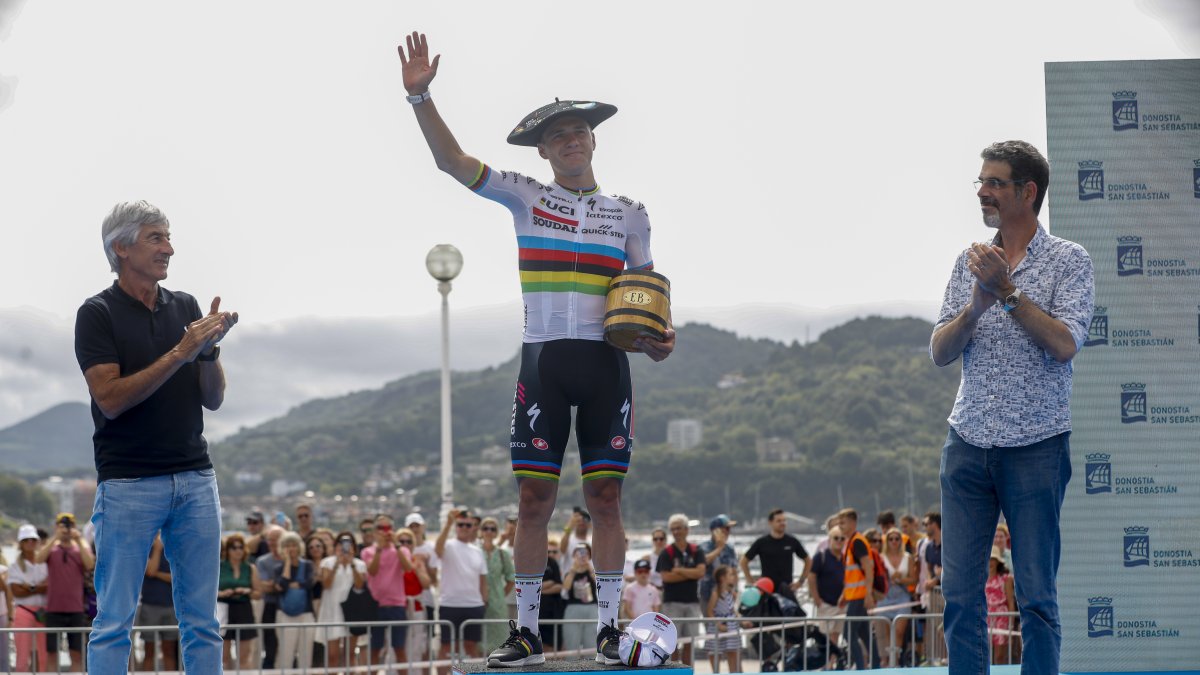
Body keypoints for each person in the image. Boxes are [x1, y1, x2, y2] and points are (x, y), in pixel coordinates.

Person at [398, 31, 675, 668]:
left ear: (592, 140)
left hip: (606, 366)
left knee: (606, 500)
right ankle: (526, 633)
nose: (570, 141)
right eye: (558, 136)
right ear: (544, 150)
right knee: (532, 502)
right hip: (543, 363)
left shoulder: (630, 214)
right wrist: (421, 98)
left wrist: (660, 340)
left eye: (579, 131)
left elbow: (646, 298)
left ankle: (610, 631)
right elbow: (451, 162)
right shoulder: (525, 193)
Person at [930, 140, 1093, 675]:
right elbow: (940, 351)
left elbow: (1065, 343)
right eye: (981, 182)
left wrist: (1007, 294)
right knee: (959, 597)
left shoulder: (1070, 261)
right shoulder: (968, 261)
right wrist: (975, 306)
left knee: (1038, 599)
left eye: (995, 182)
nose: (983, 191)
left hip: (1037, 448)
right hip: (968, 445)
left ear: (1028, 191)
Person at [75, 200, 235, 673]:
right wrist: (182, 350)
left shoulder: (184, 305)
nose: (169, 248)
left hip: (195, 480)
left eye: (167, 236)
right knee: (113, 623)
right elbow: (110, 399)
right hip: (128, 484)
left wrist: (206, 353)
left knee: (203, 623)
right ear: (121, 247)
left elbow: (214, 400)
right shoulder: (97, 313)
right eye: (156, 238)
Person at [37, 513, 94, 672]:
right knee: (52, 653)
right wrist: (55, 537)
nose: (66, 529)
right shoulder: (52, 548)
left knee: (76, 653)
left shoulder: (80, 547)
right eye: (62, 526)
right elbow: (39, 559)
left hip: (75, 609)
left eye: (69, 526)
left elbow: (89, 564)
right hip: (53, 609)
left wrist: (78, 540)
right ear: (56, 527)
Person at [435, 509, 488, 663]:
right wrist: (448, 524)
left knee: (471, 647)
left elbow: (483, 580)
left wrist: (484, 602)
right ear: (456, 527)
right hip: (450, 604)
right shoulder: (448, 545)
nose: (464, 528)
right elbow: (438, 549)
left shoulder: (478, 551)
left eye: (468, 525)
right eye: (461, 525)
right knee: (446, 648)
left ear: (473, 527)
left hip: (474, 605)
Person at [361, 513, 414, 667]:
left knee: (399, 649)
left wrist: (396, 545)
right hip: (376, 605)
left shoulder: (401, 550)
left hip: (397, 605)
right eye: (380, 528)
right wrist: (379, 549)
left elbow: (408, 568)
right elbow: (372, 571)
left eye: (388, 527)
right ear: (375, 530)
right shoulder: (368, 551)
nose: (384, 531)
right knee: (375, 650)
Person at [315, 531, 367, 673]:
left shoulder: (359, 564)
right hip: (332, 611)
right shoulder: (328, 563)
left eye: (348, 543)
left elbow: (359, 585)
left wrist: (351, 564)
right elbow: (326, 584)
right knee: (333, 655)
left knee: (350, 654)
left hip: (352, 611)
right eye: (341, 543)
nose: (344, 547)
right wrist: (337, 564)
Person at [657, 513, 705, 666]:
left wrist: (679, 571)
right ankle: (675, 670)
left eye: (679, 528)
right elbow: (666, 577)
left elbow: (701, 572)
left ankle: (689, 670)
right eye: (673, 529)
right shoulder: (667, 553)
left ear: (686, 529)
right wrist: (690, 573)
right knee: (673, 642)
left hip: (692, 601)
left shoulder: (696, 551)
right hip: (672, 602)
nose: (676, 532)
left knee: (690, 641)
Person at [836, 508, 878, 671]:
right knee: (863, 633)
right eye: (839, 523)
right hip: (854, 595)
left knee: (848, 633)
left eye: (843, 522)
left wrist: (868, 594)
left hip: (860, 596)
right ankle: (875, 665)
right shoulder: (851, 542)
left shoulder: (857, 541)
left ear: (853, 522)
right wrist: (844, 594)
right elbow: (852, 574)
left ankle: (861, 667)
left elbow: (868, 567)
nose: (840, 526)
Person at [739, 508, 810, 603]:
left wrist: (800, 582)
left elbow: (808, 560)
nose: (782, 523)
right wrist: (751, 581)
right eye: (779, 521)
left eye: (784, 520)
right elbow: (744, 561)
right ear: (770, 523)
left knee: (789, 616)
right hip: (766, 589)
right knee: (767, 617)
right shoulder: (762, 542)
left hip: (786, 589)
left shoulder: (792, 541)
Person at [874, 528, 917, 666]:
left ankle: (896, 659)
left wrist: (900, 579)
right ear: (886, 541)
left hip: (902, 596)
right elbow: (877, 577)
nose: (894, 541)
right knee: (886, 630)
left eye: (897, 539)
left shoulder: (907, 557)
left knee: (899, 631)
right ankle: (887, 660)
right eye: (890, 539)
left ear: (901, 541)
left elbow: (913, 579)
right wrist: (888, 578)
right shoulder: (881, 557)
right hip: (886, 596)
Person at [10, 524, 50, 671]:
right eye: (26, 540)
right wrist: (39, 587)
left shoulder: (46, 562)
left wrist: (28, 587)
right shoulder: (15, 565)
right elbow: (16, 592)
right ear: (21, 543)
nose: (30, 542)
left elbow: (50, 587)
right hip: (23, 611)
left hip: (43, 613)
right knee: (22, 655)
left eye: (33, 539)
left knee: (44, 656)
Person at [134, 535, 177, 671]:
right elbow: (150, 570)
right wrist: (157, 549)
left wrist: (156, 574)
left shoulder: (172, 549)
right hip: (150, 606)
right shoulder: (146, 548)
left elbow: (175, 577)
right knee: (149, 650)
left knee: (169, 650)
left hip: (170, 605)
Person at [274, 532, 315, 670]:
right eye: (287, 546)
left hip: (305, 613)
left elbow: (309, 584)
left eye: (294, 545)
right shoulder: (279, 568)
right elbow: (281, 586)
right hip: (285, 614)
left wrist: (296, 584)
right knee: (286, 654)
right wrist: (287, 564)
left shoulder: (308, 565)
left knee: (305, 655)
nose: (291, 549)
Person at [219, 533, 260, 670]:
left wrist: (247, 591)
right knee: (223, 657)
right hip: (223, 609)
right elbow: (209, 592)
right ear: (227, 550)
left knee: (244, 656)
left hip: (244, 609)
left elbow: (258, 594)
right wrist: (223, 593)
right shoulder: (219, 567)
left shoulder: (250, 568)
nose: (237, 550)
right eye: (233, 547)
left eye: (240, 547)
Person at [806, 525, 845, 655]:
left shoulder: (846, 558)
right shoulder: (821, 556)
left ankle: (831, 662)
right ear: (829, 540)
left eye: (842, 538)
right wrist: (817, 599)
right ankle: (824, 663)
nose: (839, 541)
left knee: (836, 635)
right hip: (825, 603)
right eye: (836, 538)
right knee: (824, 636)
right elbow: (811, 577)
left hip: (842, 604)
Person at [480, 517, 516, 652]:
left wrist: (501, 594)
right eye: (485, 528)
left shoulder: (502, 554)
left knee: (499, 643)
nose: (489, 532)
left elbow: (511, 578)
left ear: (496, 532)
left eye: (492, 529)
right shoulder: (475, 552)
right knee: (478, 644)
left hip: (498, 604)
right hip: (478, 603)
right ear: (481, 531)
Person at [559, 543, 598, 660]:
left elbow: (600, 588)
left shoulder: (594, 573)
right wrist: (573, 571)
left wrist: (590, 570)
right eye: (579, 553)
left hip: (591, 608)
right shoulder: (569, 573)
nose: (582, 556)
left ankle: (591, 667)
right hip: (573, 608)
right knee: (572, 643)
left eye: (585, 553)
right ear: (574, 555)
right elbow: (564, 592)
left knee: (591, 644)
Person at [255, 524, 286, 669]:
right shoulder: (262, 561)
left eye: (276, 539)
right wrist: (282, 584)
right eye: (270, 540)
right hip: (270, 607)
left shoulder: (292, 558)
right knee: (270, 648)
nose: (273, 543)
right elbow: (264, 586)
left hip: (289, 607)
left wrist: (273, 584)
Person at [698, 515, 738, 613]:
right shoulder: (703, 547)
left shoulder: (730, 549)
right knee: (711, 626)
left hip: (727, 594)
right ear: (715, 530)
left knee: (727, 626)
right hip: (707, 593)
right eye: (726, 528)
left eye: (730, 529)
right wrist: (719, 548)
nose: (729, 532)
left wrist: (735, 589)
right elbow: (704, 561)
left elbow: (734, 570)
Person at [704, 565, 740, 673]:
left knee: (733, 652)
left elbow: (732, 610)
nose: (733, 577)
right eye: (730, 574)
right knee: (715, 653)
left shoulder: (731, 594)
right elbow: (709, 611)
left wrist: (742, 621)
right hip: (717, 626)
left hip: (730, 626)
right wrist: (718, 625)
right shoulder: (716, 594)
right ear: (722, 578)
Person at [986, 546, 1018, 666]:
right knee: (985, 653)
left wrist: (1010, 623)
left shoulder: (1006, 579)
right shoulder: (980, 578)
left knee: (1000, 656)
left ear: (998, 561)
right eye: (988, 559)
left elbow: (1010, 602)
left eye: (993, 559)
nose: (990, 562)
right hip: (985, 617)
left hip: (1002, 618)